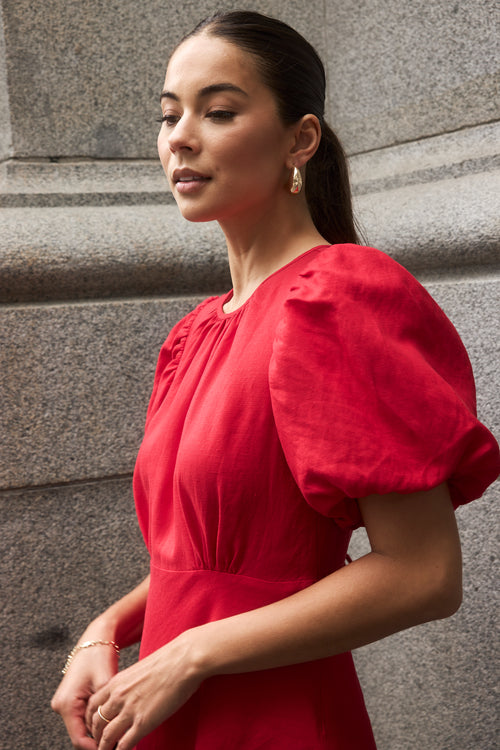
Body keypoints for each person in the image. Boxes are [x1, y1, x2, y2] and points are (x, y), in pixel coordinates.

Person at [51, 10, 500, 750]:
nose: (180, 138)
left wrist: (190, 653)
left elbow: (424, 575)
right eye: (169, 115)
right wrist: (105, 632)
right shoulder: (196, 332)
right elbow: (208, 564)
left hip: (270, 715)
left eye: (219, 111)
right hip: (163, 701)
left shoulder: (338, 299)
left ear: (302, 139)